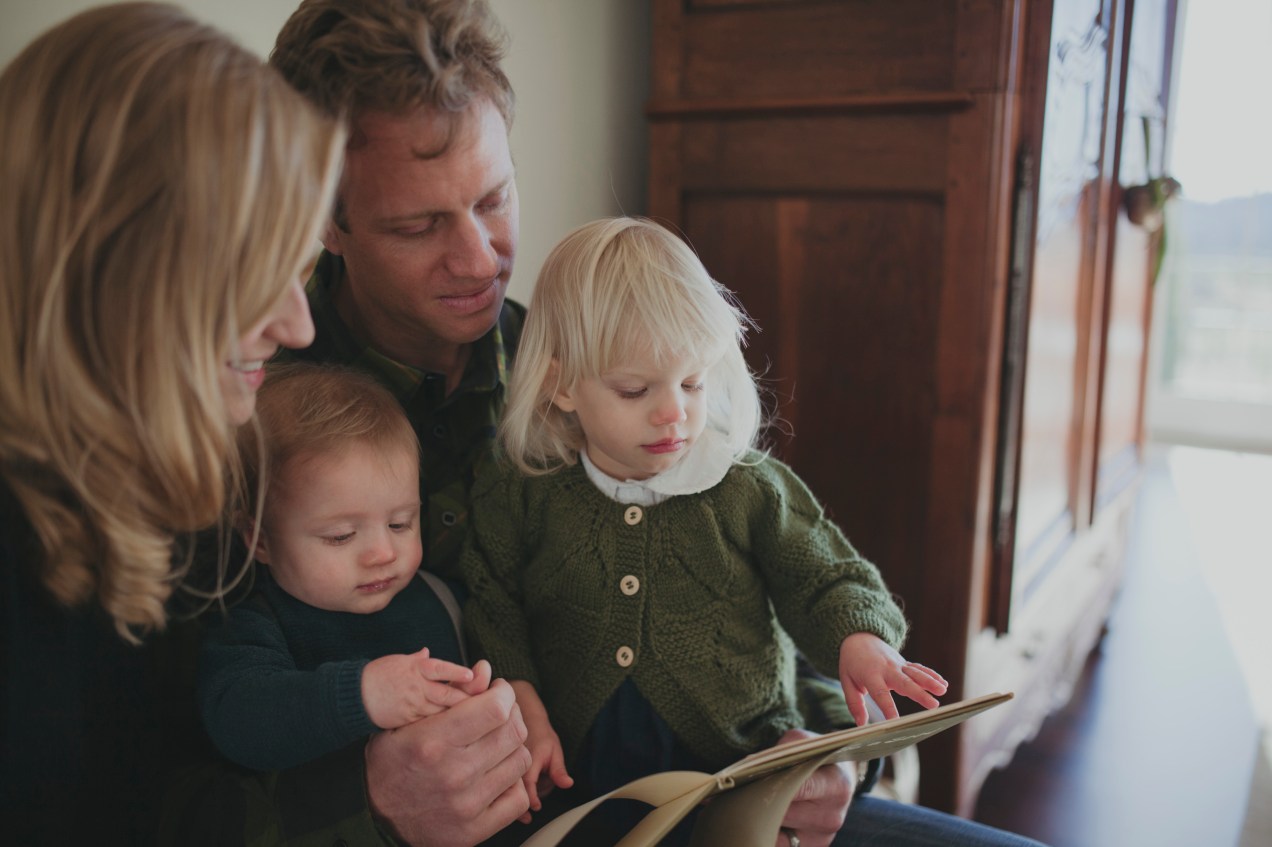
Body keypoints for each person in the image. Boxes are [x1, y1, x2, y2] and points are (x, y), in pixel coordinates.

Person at [270, 1, 1048, 845]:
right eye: (418, 225)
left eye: (493, 198)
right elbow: (173, 777)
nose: (479, 258)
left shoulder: (592, 363)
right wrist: (369, 805)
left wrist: (830, 754)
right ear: (324, 221)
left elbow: (758, 588)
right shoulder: (251, 420)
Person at [459, 217, 949, 842]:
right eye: (634, 389)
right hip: (583, 791)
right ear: (561, 386)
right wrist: (521, 696)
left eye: (692, 382)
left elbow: (825, 575)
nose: (674, 411)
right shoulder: (523, 491)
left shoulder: (746, 487)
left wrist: (859, 640)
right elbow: (493, 602)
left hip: (742, 785)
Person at [0, 3, 345, 844]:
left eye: (297, 267)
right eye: (252, 271)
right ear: (121, 267)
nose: (298, 325)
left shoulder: (151, 485)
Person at [199, 363, 495, 772]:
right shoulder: (257, 627)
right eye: (340, 536)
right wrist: (361, 695)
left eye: (400, 524)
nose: (383, 553)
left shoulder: (443, 597)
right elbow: (239, 723)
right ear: (260, 540)